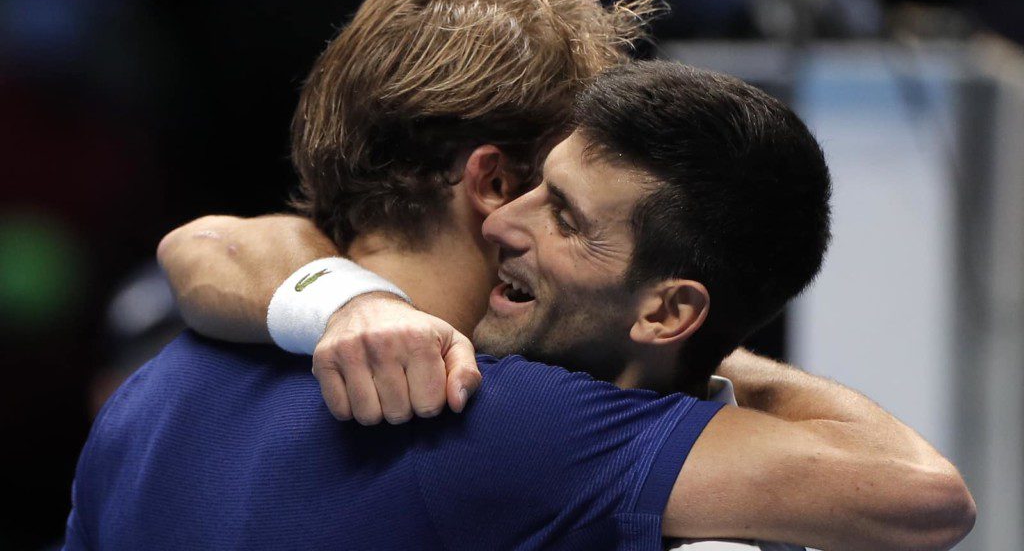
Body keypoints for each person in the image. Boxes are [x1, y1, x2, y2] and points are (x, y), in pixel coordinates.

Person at [70, 57, 974, 549]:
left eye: (566, 216)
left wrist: (338, 293)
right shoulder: (521, 423)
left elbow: (204, 242)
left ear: (667, 310)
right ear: (485, 172)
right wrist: (707, 353)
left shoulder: (159, 382)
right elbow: (926, 497)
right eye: (530, 185)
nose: (508, 219)